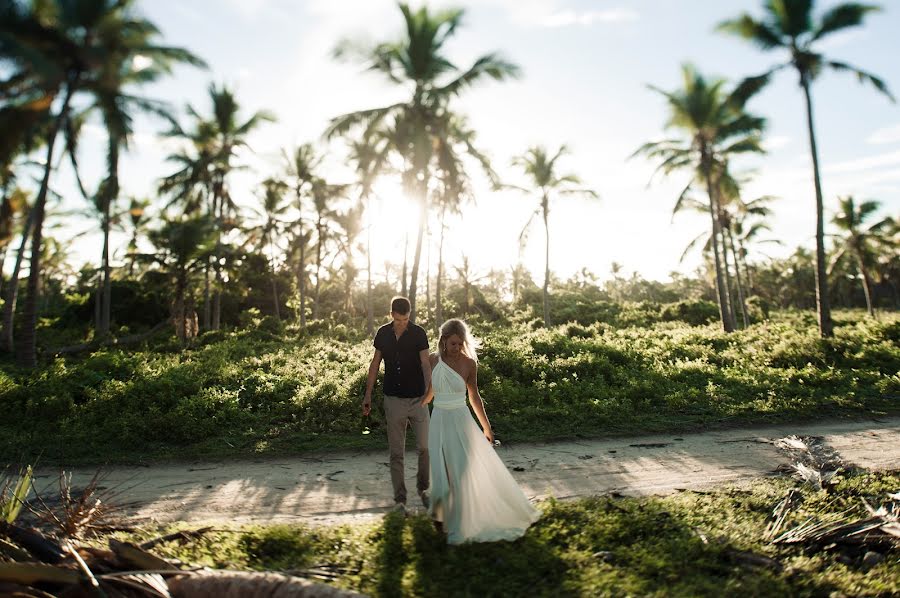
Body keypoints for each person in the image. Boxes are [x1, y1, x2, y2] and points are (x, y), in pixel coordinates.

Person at [422, 318, 540, 544]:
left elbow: (474, 397)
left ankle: (459, 521)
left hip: (460, 419)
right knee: (440, 470)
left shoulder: (469, 364)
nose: (457, 348)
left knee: (460, 471)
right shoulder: (432, 360)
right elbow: (430, 393)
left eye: (460, 344)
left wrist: (487, 428)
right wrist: (416, 408)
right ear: (444, 341)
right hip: (438, 420)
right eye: (453, 344)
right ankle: (441, 516)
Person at [363, 296, 432, 514]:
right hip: (393, 400)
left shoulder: (419, 333)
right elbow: (375, 365)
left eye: (406, 319)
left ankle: (424, 489)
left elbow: (425, 364)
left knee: (425, 447)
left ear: (409, 315)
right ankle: (400, 500)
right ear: (392, 314)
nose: (402, 323)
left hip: (418, 399)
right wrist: (368, 395)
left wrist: (430, 391)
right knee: (396, 453)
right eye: (399, 319)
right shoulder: (383, 334)